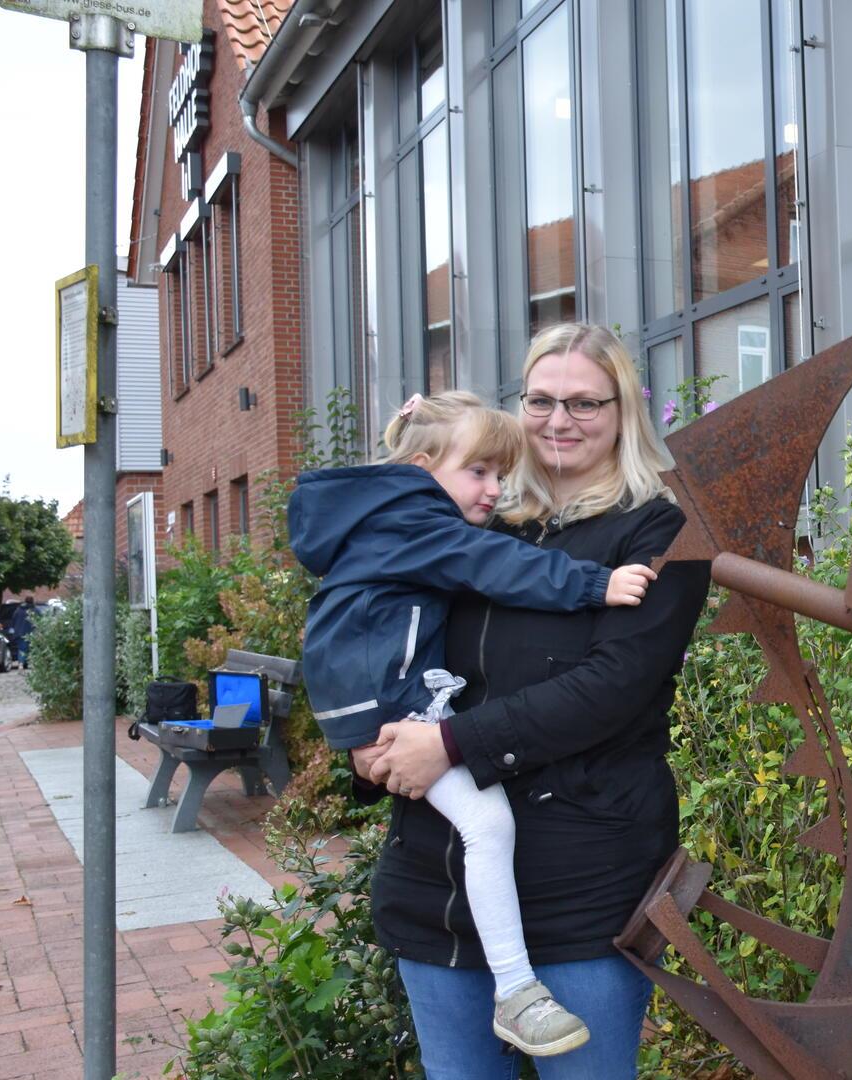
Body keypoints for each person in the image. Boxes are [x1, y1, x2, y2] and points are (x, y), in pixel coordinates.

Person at [361, 324, 709, 1079]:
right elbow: (374, 630)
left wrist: (450, 747)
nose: (559, 420)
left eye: (584, 402)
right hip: (440, 883)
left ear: (624, 411)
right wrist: (363, 734)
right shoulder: (467, 519)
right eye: (541, 399)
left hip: (580, 880)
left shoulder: (659, 528)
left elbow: (613, 686)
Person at [290, 390, 656, 1057]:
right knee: (489, 825)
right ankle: (517, 991)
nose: (493, 491)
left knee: (482, 825)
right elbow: (493, 564)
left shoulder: (385, 517)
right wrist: (593, 586)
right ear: (424, 465)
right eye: (478, 473)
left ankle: (514, 987)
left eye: (499, 475)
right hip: (397, 709)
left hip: (383, 704)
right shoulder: (417, 522)